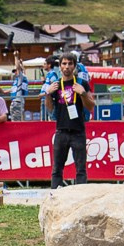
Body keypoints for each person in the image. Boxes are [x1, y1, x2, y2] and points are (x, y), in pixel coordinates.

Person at [48, 53, 94, 187]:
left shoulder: (82, 83)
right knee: (57, 169)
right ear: (60, 66)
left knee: (80, 169)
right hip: (61, 131)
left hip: (78, 131)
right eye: (64, 63)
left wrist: (83, 93)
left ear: (74, 66)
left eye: (70, 63)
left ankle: (81, 196)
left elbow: (91, 106)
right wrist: (48, 94)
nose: (67, 66)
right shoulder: (56, 85)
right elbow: (50, 108)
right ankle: (54, 195)